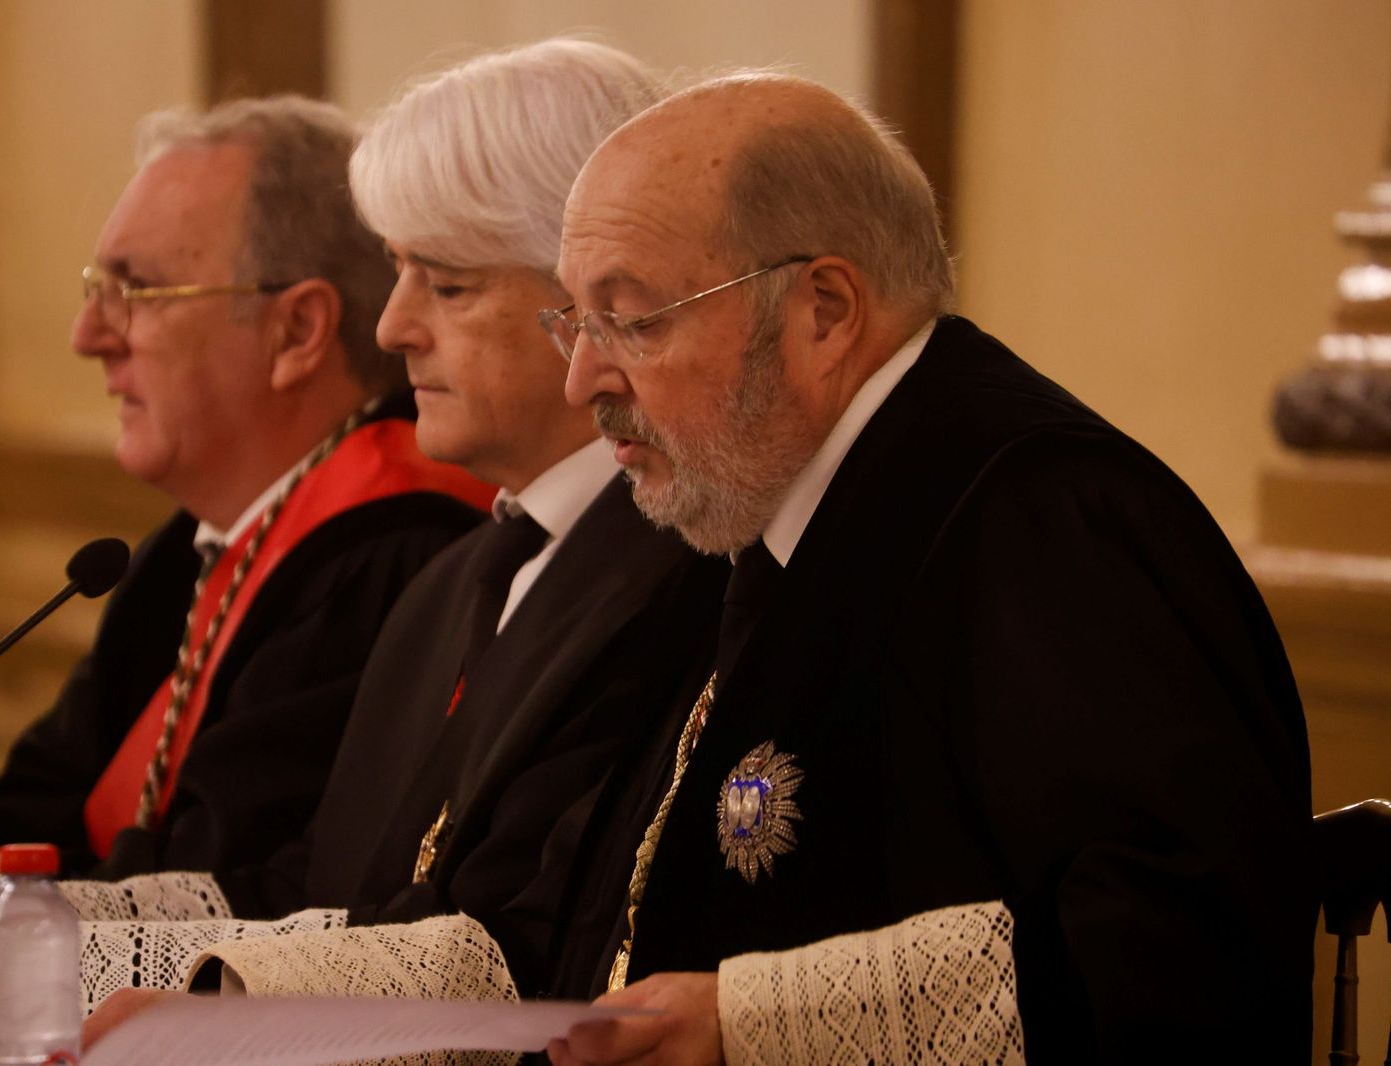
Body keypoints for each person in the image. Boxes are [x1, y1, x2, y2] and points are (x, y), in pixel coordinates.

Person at [542, 73, 1314, 1064]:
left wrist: (752, 1022)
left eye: (633, 320)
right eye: (573, 320)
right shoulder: (761, 505)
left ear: (821, 309)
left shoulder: (1046, 521)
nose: (582, 379)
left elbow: (1172, 953)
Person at [0, 40, 722, 1039]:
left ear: (596, 297)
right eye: (396, 272)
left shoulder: (690, 570)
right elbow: (326, 890)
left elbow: (520, 957)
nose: (391, 327)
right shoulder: (459, 580)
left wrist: (213, 1003)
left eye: (448, 284)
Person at [0, 96, 494, 932]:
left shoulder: (398, 553)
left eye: (139, 290)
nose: (89, 334)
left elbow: (243, 890)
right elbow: (39, 815)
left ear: (298, 331)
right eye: (100, 291)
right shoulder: (185, 551)